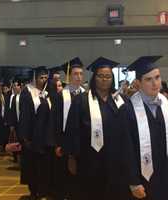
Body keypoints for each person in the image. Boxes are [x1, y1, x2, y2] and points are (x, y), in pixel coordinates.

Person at [65, 56, 128, 200]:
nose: (105, 79)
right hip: (88, 160)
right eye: (101, 76)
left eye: (108, 76)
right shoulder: (81, 101)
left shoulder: (121, 101)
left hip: (115, 161)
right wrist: (71, 157)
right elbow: (72, 130)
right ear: (94, 78)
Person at [119, 56, 168, 200]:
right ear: (138, 83)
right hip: (143, 178)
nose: (155, 83)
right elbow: (125, 149)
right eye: (148, 79)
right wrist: (133, 182)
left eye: (157, 77)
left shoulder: (165, 104)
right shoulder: (127, 110)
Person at [51, 57, 85, 200]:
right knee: (64, 173)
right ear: (69, 76)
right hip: (65, 140)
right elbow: (55, 122)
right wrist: (57, 143)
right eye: (75, 74)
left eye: (81, 74)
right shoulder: (60, 96)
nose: (78, 77)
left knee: (80, 174)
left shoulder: (87, 95)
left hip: (82, 141)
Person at [17, 66, 52, 200]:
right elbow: (24, 115)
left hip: (44, 136)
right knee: (32, 166)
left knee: (42, 166)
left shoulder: (47, 92)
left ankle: (42, 190)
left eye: (45, 78)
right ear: (35, 78)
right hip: (31, 136)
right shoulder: (27, 92)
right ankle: (33, 191)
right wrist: (24, 137)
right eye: (40, 78)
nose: (43, 80)